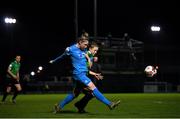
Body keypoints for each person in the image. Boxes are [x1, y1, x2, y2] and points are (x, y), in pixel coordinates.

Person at [49, 36, 120, 113]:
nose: (86, 46)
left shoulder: (84, 50)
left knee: (75, 94)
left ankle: (60, 106)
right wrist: (54, 60)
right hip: (79, 74)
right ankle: (110, 104)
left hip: (82, 74)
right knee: (93, 88)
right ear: (80, 43)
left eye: (87, 45)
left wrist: (91, 59)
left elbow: (87, 62)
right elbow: (62, 56)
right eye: (85, 44)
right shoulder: (71, 49)